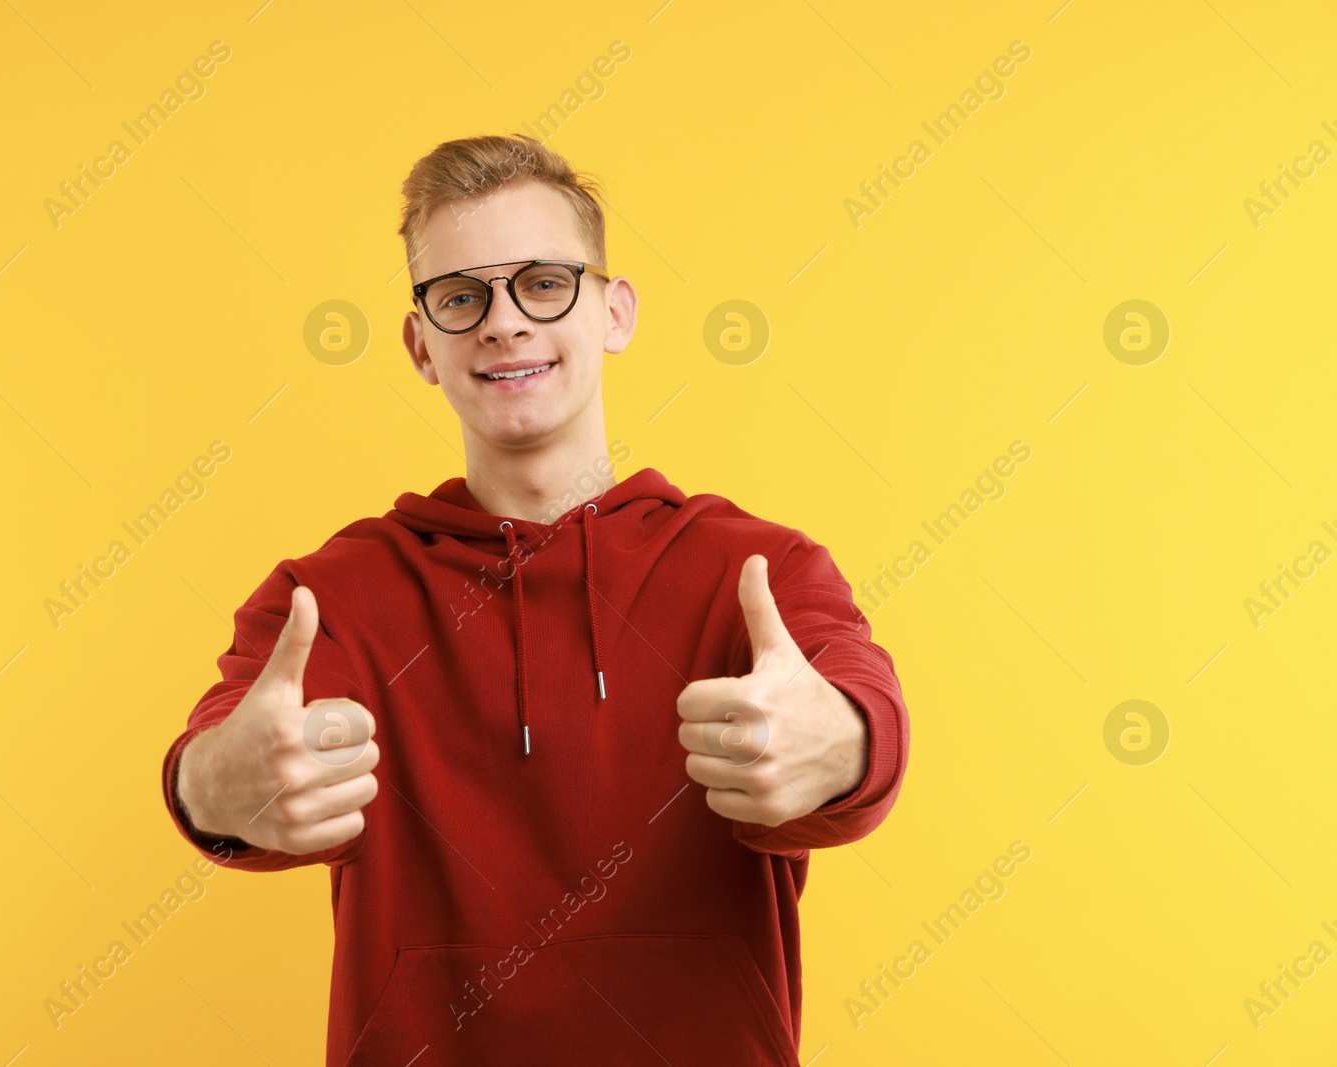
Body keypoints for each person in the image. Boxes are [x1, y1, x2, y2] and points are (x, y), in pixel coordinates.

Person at [162, 133, 911, 1066]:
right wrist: (211, 785)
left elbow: (863, 720)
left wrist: (842, 744)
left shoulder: (761, 569)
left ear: (615, 311)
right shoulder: (331, 596)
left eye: (543, 283)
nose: (503, 323)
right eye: (461, 296)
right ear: (421, 344)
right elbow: (223, 748)